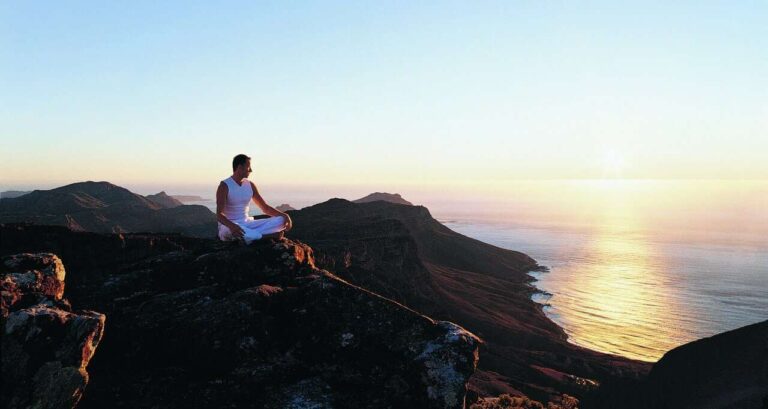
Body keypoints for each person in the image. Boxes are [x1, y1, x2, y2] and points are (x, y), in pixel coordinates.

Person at [216, 154, 292, 244]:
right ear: (240, 168)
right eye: (248, 167)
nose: (251, 170)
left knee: (281, 220)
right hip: (231, 225)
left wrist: (285, 216)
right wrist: (232, 226)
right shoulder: (225, 185)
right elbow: (219, 215)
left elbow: (265, 208)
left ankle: (252, 236)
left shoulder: (250, 185)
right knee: (228, 232)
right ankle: (266, 236)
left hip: (248, 224)